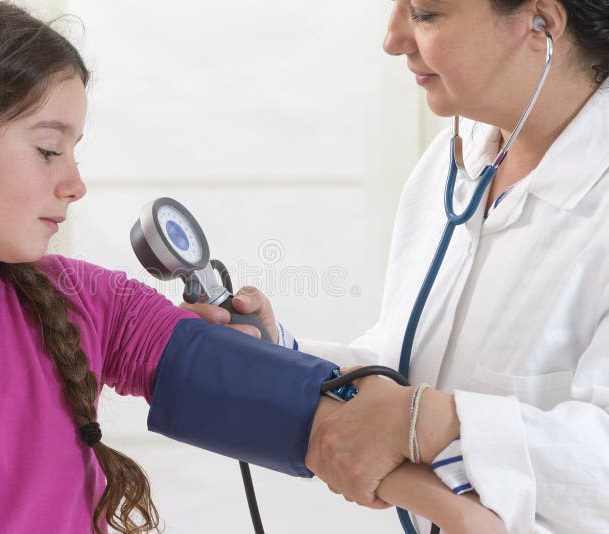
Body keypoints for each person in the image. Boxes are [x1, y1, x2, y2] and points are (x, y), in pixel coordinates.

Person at [0, 1, 510, 533]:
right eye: (50, 149)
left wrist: (460, 512)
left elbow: (310, 417)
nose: (74, 183)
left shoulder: (81, 299)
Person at [186, 0, 609, 532]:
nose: (392, 39)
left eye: (426, 14)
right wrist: (280, 357)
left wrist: (431, 422)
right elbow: (404, 367)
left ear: (540, 22)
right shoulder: (452, 164)